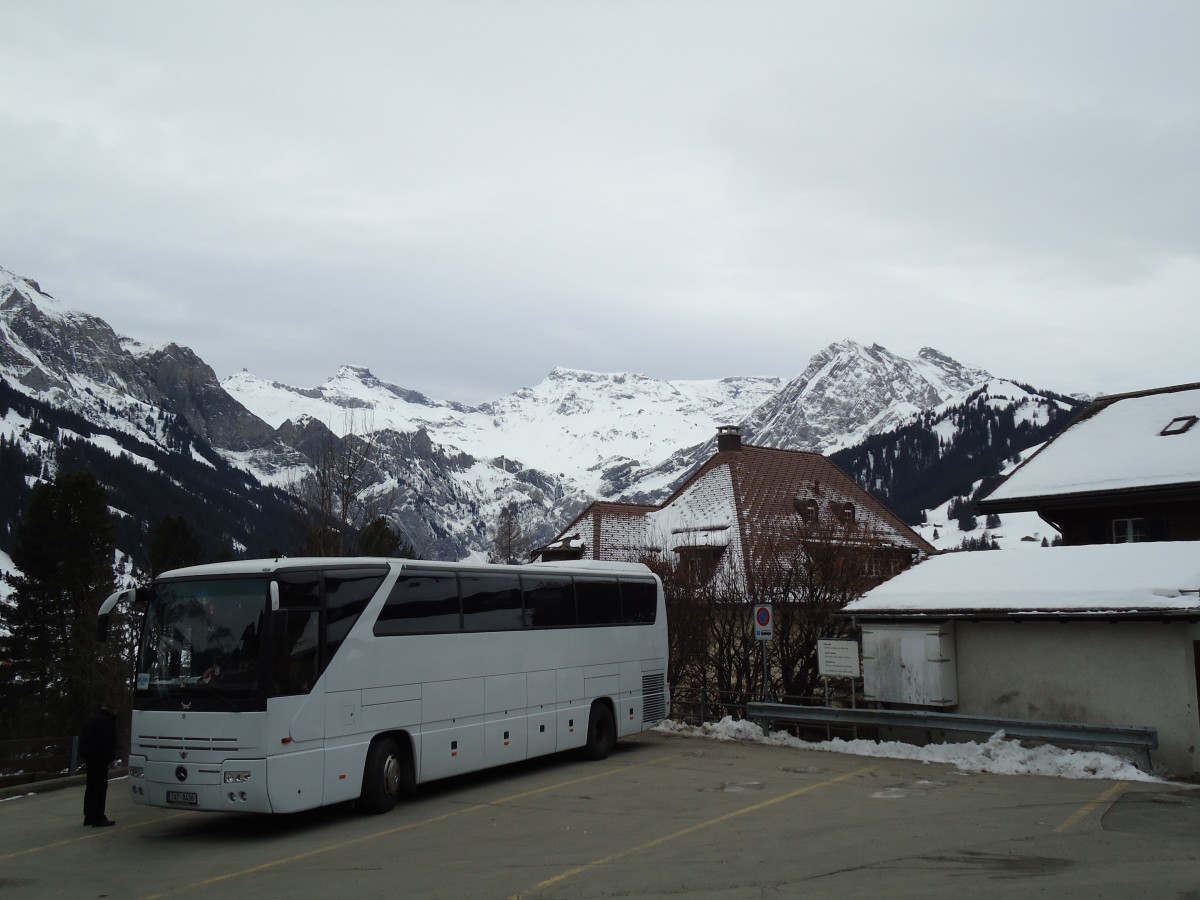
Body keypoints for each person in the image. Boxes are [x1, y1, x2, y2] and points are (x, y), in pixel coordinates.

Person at [80, 699, 118, 827]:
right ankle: (98, 817)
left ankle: (89, 816)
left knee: (91, 787)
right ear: (111, 710)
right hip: (99, 759)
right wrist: (108, 759)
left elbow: (83, 739)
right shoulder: (106, 722)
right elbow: (105, 743)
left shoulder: (92, 719)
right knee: (100, 788)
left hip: (90, 758)